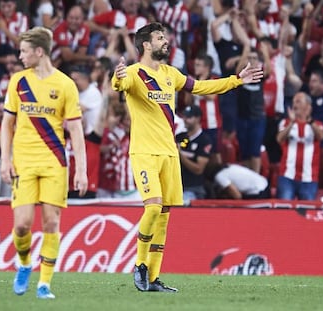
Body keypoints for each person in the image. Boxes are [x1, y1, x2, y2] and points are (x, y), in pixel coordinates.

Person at [111, 22, 263, 292]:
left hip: (170, 153)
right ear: (146, 44)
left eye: (165, 37)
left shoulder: (172, 74)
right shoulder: (134, 73)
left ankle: (153, 278)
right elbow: (120, 83)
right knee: (154, 207)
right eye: (160, 38)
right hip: (145, 152)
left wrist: (236, 80)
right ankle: (139, 265)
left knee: (165, 215)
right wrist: (117, 76)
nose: (165, 41)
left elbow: (202, 86)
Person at [0, 27, 88, 299]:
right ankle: (25, 263)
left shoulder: (64, 85)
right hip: (24, 162)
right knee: (23, 225)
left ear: (39, 52)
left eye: (24, 51)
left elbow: (75, 130)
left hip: (54, 162)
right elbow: (7, 123)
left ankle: (44, 284)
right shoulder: (18, 81)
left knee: (51, 222)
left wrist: (81, 170)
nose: (20, 55)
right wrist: (5, 159)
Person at [276, 92, 323, 200]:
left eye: (298, 101)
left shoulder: (318, 124)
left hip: (309, 178)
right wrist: (292, 122)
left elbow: (321, 136)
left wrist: (310, 121)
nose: (294, 105)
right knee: (284, 211)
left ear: (308, 106)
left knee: (307, 213)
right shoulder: (285, 123)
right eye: (293, 102)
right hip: (287, 176)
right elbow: (279, 139)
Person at [176, 105, 212, 205]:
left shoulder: (204, 140)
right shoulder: (179, 137)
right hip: (176, 187)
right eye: (184, 117)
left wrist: (180, 155)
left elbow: (199, 169)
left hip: (193, 189)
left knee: (182, 203)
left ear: (197, 118)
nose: (185, 120)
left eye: (189, 117)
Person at [206, 163, 270, 199]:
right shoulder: (230, 166)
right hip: (264, 183)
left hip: (257, 191)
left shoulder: (219, 176)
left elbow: (237, 195)